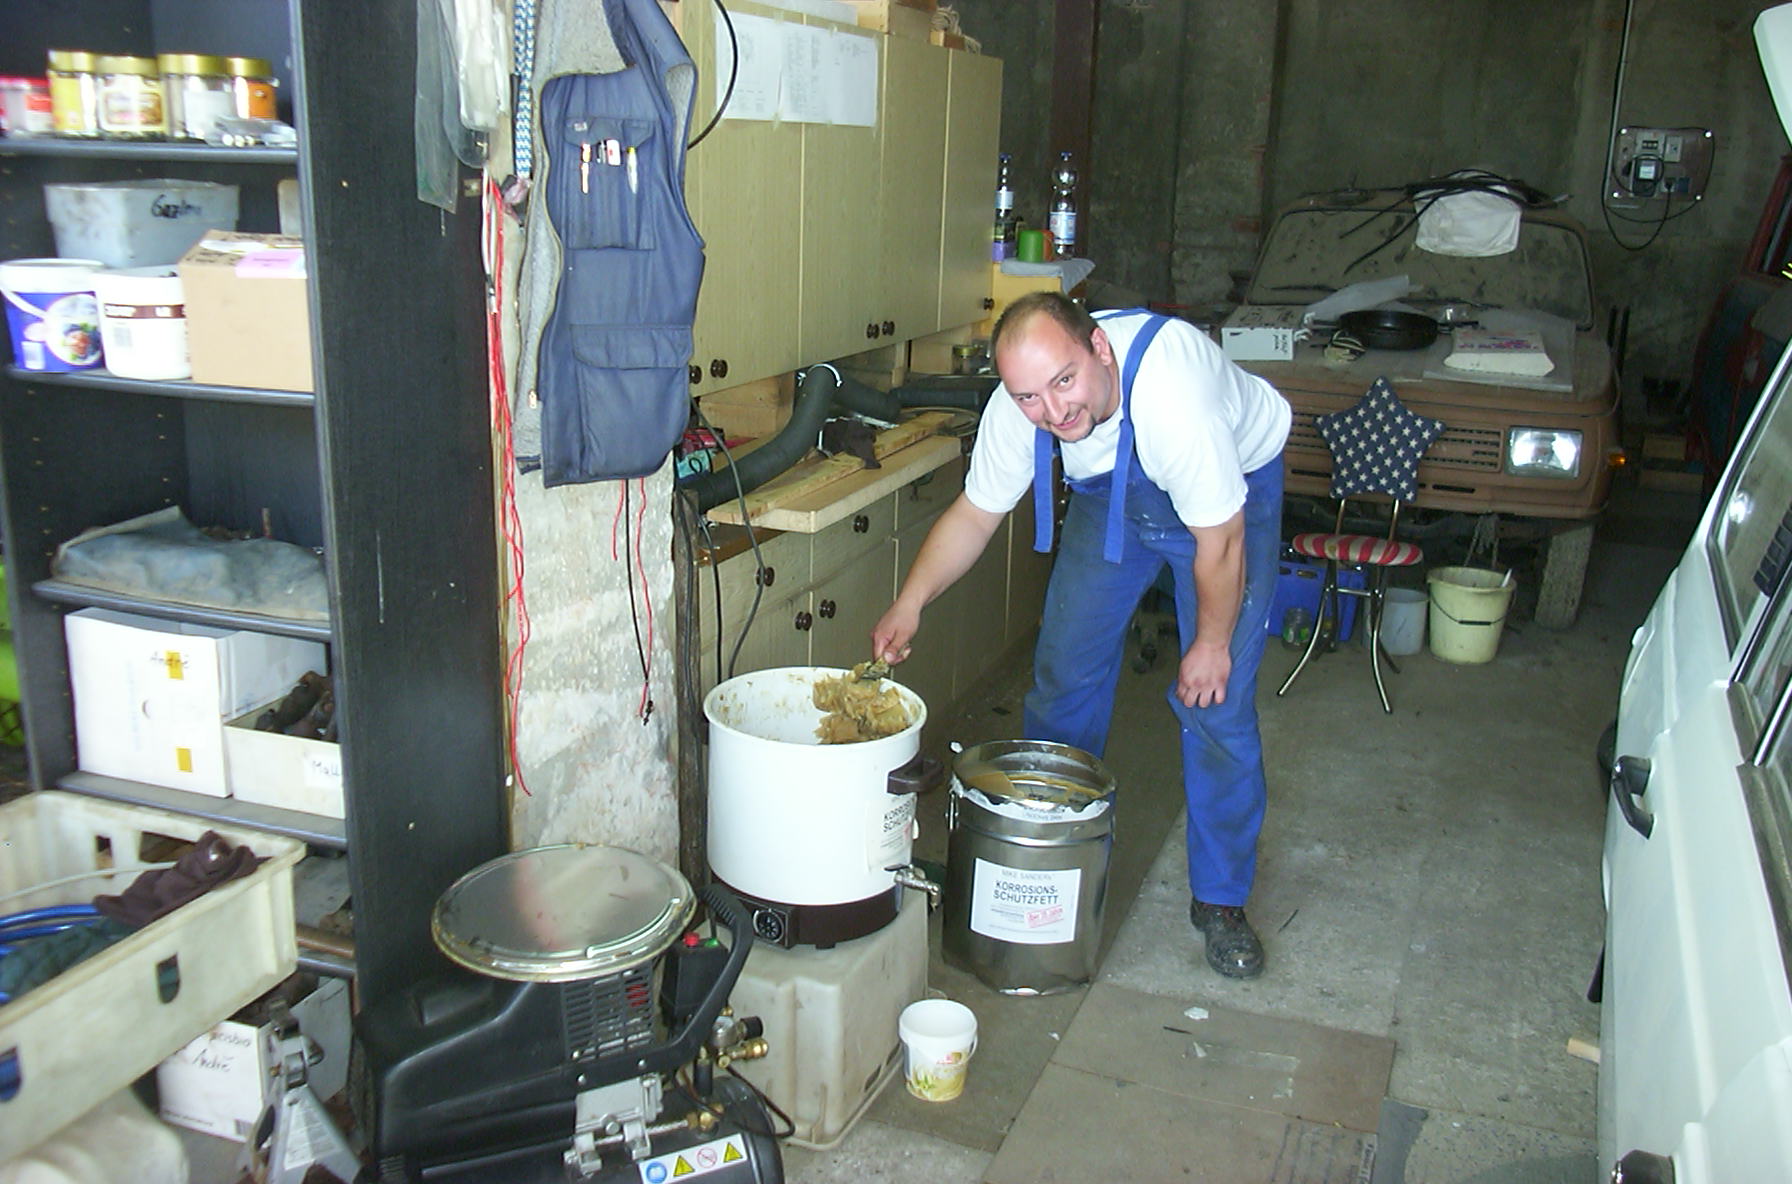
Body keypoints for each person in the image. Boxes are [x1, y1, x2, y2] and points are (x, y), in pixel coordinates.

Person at [872, 291, 1291, 979]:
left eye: (1063, 381)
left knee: (1215, 706)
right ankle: (1053, 853)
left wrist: (1211, 646)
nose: (1053, 411)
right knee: (1064, 672)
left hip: (1231, 496)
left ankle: (1221, 900)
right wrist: (911, 602)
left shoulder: (1176, 402)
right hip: (1113, 495)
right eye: (1029, 396)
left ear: (1099, 349)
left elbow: (1220, 542)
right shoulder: (1021, 406)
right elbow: (976, 514)